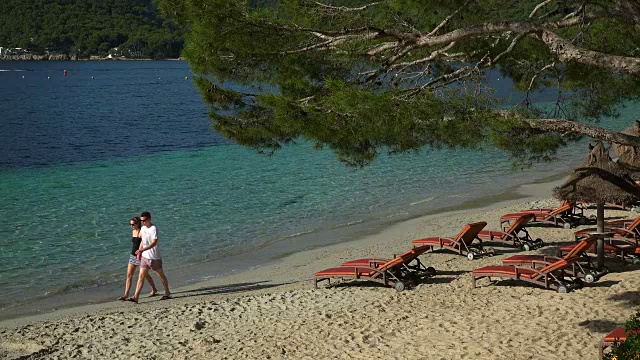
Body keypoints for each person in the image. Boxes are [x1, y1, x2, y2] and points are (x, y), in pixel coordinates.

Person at [129, 211, 171, 303]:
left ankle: (167, 292)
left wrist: (142, 250)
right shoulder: (143, 228)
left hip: (154, 257)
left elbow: (154, 242)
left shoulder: (153, 228)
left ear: (149, 219)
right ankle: (136, 297)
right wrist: (140, 252)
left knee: (161, 275)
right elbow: (142, 241)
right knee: (141, 276)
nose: (142, 222)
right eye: (141, 221)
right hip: (144, 257)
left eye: (144, 220)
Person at [117, 216, 157, 301]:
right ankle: (126, 295)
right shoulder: (133, 232)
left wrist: (141, 252)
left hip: (141, 256)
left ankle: (154, 289)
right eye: (130, 224)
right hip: (132, 255)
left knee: (144, 275)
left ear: (138, 223)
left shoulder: (141, 231)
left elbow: (145, 242)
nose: (131, 226)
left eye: (133, 224)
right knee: (129, 275)